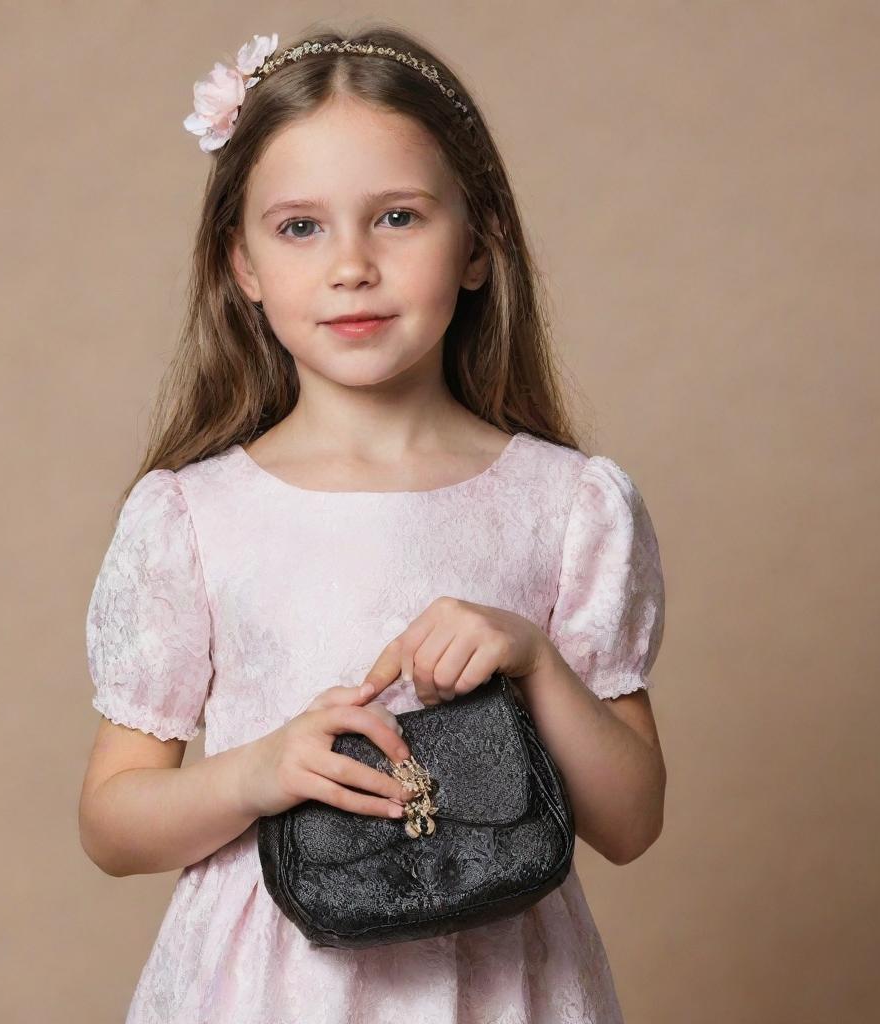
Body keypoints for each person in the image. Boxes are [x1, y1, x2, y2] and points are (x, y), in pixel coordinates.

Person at [78, 23, 668, 1024]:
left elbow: (630, 819)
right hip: (267, 990)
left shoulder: (569, 505)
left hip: (495, 984)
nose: (351, 264)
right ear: (242, 265)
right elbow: (112, 821)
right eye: (300, 227)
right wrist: (258, 771)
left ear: (477, 245)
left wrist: (533, 662)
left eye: (396, 216)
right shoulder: (193, 514)